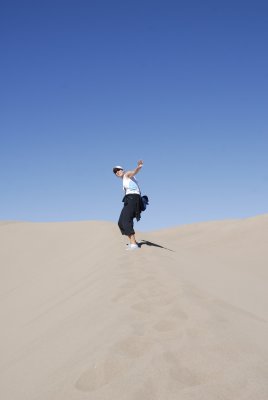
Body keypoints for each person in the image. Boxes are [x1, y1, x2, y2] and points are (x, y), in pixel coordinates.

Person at [113, 160, 144, 250]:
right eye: (115, 172)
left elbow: (133, 172)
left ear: (122, 170)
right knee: (121, 222)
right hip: (129, 199)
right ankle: (132, 242)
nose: (117, 172)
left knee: (126, 220)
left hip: (133, 198)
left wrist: (139, 167)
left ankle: (134, 244)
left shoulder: (127, 174)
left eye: (118, 170)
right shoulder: (124, 180)